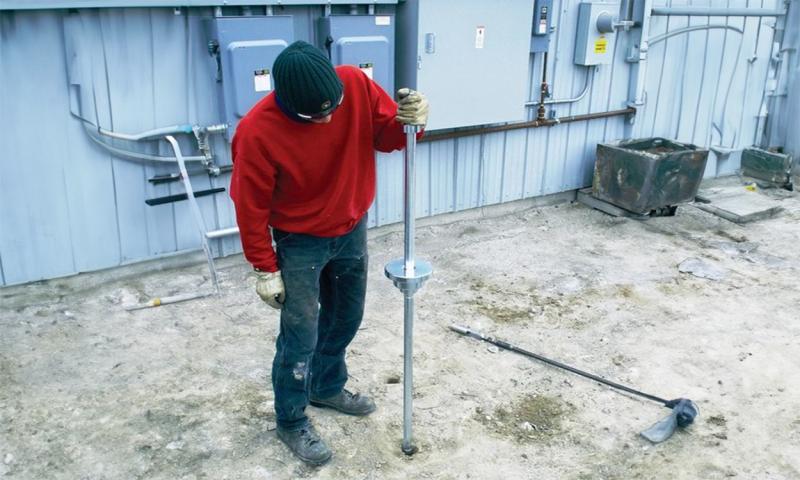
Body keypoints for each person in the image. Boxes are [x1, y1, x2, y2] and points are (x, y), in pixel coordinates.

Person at [229, 40, 428, 466]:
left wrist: (412, 123)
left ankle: (326, 386)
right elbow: (250, 206)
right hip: (299, 241)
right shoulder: (256, 132)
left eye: (331, 108)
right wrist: (264, 267)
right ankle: (291, 419)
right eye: (313, 115)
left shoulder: (354, 84)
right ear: (284, 102)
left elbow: (389, 137)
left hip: (351, 226)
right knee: (300, 335)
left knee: (346, 317)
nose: (326, 119)